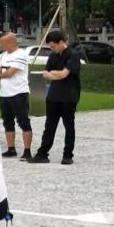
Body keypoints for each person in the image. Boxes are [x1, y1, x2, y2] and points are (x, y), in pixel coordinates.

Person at [29, 31, 82, 165]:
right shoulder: (52, 56)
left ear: (60, 42)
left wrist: (55, 74)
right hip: (53, 95)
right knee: (49, 126)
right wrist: (55, 74)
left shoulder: (73, 55)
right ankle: (42, 153)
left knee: (69, 126)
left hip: (69, 96)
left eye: (53, 46)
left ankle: (68, 155)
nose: (51, 49)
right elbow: (46, 74)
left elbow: (65, 74)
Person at [0, 32, 33, 160]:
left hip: (19, 93)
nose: (0, 45)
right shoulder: (3, 56)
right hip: (5, 93)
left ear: (10, 42)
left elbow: (10, 73)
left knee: (23, 121)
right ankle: (11, 148)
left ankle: (27, 151)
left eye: (1, 43)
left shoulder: (21, 54)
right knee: (7, 121)